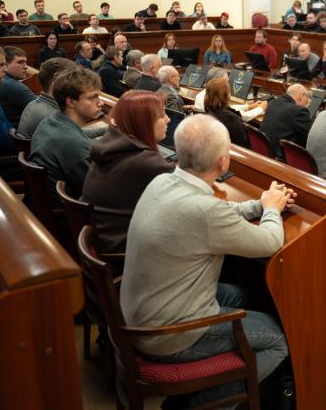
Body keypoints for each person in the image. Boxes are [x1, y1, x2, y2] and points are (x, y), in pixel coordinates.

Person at [120, 114, 290, 408]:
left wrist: (261, 205)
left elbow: (215, 214)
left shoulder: (162, 181)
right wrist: (273, 210)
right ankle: (202, 404)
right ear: (223, 163)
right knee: (279, 341)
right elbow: (270, 241)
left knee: (249, 297)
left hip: (142, 314)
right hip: (168, 336)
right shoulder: (204, 211)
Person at [82, 90, 174, 253]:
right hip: (122, 250)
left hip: (104, 237)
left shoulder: (111, 142)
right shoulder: (144, 162)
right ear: (143, 123)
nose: (168, 119)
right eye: (162, 115)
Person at [29, 67, 103, 200]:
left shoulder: (51, 120)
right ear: (71, 102)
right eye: (93, 97)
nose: (101, 103)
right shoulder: (72, 143)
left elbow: (80, 137)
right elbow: (100, 191)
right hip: (68, 210)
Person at [18, 58, 76, 138]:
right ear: (56, 84)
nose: (77, 86)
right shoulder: (52, 117)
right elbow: (78, 140)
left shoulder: (33, 104)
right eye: (73, 80)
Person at [260, 83, 313, 160]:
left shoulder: (273, 102)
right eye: (307, 98)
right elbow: (312, 133)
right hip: (280, 157)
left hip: (265, 150)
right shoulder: (298, 111)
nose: (307, 102)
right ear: (301, 95)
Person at [0, 46, 36, 127]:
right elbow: (43, 107)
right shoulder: (10, 85)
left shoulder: (0, 80)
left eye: (25, 62)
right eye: (20, 62)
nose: (26, 67)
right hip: (15, 132)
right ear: (6, 65)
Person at [203, 76, 249, 148]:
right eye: (229, 92)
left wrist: (250, 106)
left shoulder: (207, 113)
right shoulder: (233, 119)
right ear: (225, 95)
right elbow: (243, 146)